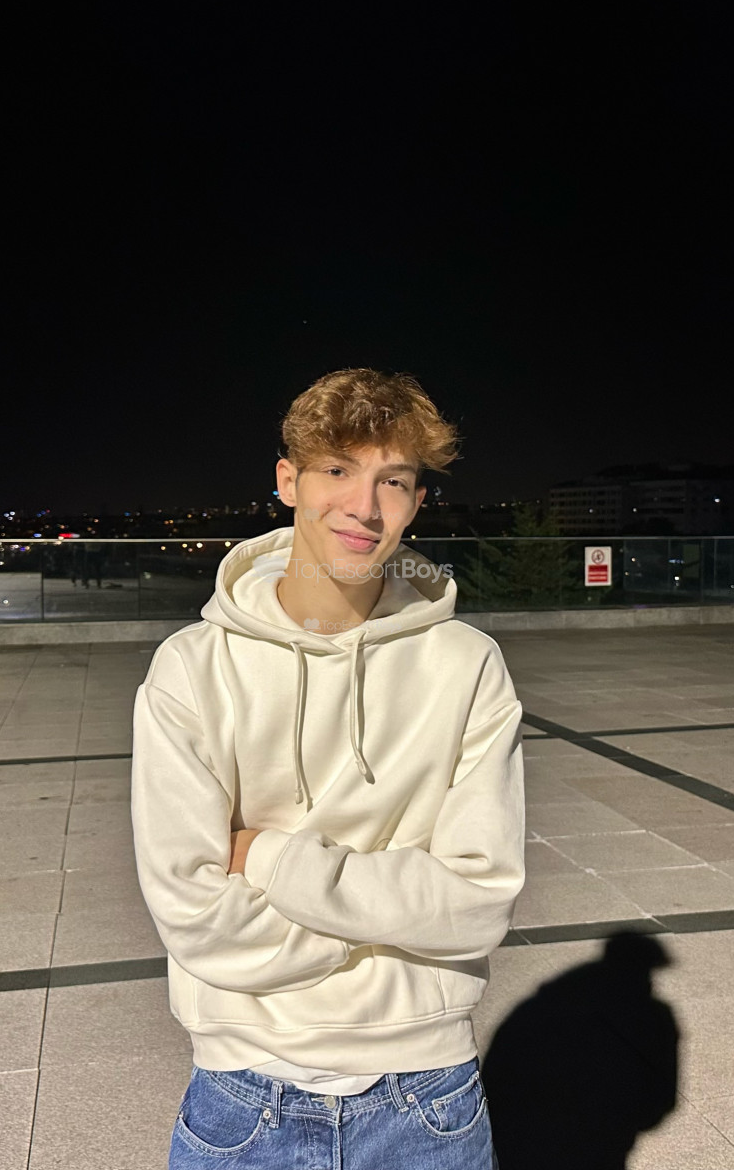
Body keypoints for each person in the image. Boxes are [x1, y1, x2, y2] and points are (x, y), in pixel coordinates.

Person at [131, 367, 526, 1169]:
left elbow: (478, 903)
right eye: (338, 470)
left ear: (417, 501)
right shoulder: (191, 668)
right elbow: (193, 914)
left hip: (428, 1098)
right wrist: (391, 923)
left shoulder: (467, 665)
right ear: (288, 481)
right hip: (242, 1099)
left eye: (393, 481)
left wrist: (270, 860)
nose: (363, 506)